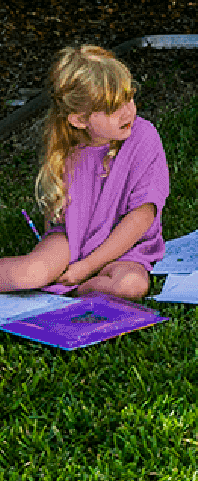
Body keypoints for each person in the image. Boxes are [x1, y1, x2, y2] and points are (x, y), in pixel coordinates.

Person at [0, 44, 169, 299]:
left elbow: (141, 217)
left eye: (129, 98)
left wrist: (85, 269)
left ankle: (82, 288)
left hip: (127, 247)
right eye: (113, 108)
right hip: (71, 240)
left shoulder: (144, 137)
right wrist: (62, 257)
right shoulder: (66, 149)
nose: (128, 111)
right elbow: (56, 218)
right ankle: (67, 281)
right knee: (29, 273)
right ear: (79, 120)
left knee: (131, 286)